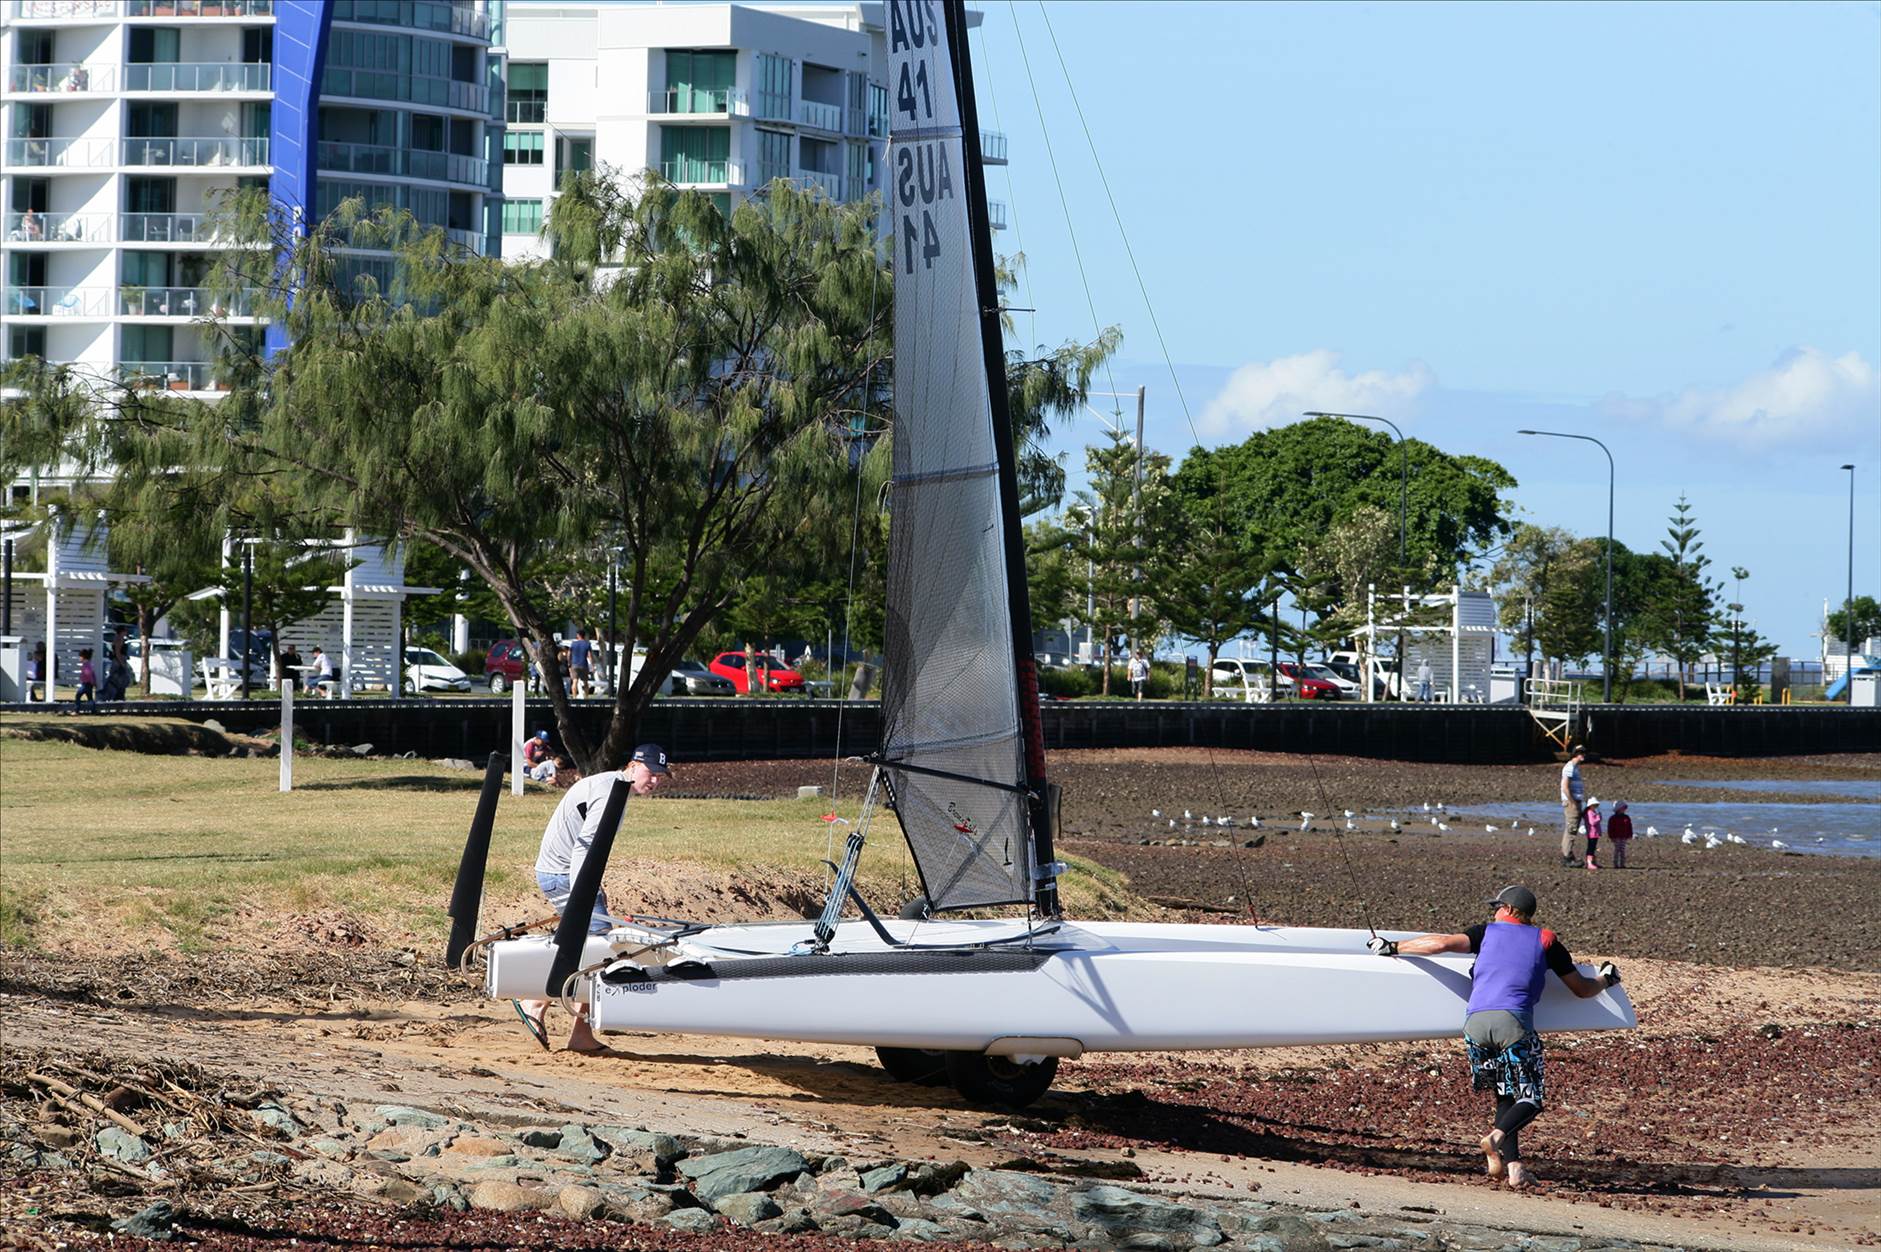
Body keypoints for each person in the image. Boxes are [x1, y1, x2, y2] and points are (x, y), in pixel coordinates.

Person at [1368, 884, 1620, 1189]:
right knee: (1532, 1098)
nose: (1494, 912)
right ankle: (1495, 1138)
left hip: (1474, 1025)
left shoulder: (1485, 933)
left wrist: (1392, 947)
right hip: (1512, 1024)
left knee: (1506, 1095)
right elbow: (1582, 989)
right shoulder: (1546, 940)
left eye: (1497, 907)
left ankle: (1514, 1170)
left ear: (1512, 910)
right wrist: (1607, 978)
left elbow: (1440, 944)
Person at [516, 743, 671, 1052]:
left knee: (586, 948)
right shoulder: (609, 790)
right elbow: (583, 848)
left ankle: (553, 1013)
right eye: (649, 773)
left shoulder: (615, 787)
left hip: (565, 875)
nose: (653, 781)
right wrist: (584, 895)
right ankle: (546, 1010)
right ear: (632, 765)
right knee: (599, 953)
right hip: (564, 876)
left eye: (659, 776)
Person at [1558, 744, 1586, 868]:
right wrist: (1573, 802)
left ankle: (1568, 855)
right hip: (1571, 803)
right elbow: (1565, 787)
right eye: (1581, 753)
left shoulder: (1574, 768)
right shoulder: (1569, 767)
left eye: (1584, 753)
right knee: (1571, 829)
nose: (1583, 755)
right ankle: (1567, 857)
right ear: (1576, 754)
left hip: (1575, 801)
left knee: (1571, 828)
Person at [1607, 800, 1634, 868]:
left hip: (1624, 836)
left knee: (1622, 850)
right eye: (1623, 808)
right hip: (1616, 836)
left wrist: (1630, 834)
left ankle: (1622, 864)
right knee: (1617, 850)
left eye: (1625, 808)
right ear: (1619, 809)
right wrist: (1611, 836)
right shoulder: (1613, 818)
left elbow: (1629, 827)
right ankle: (1615, 864)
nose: (1624, 810)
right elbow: (1610, 828)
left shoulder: (1626, 817)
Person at [568, 628, 593, 698]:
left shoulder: (573, 644)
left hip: (574, 664)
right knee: (585, 682)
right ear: (584, 636)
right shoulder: (587, 644)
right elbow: (590, 656)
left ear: (578, 635)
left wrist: (569, 664)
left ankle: (574, 697)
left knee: (575, 681)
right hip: (583, 665)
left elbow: (569, 654)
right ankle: (586, 697)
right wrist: (592, 665)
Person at [1582, 798, 1603, 871]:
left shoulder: (1592, 811)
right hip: (1592, 833)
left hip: (1595, 833)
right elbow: (1592, 822)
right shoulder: (1589, 812)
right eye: (1594, 805)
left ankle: (1593, 861)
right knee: (1591, 848)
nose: (1596, 807)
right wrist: (1598, 818)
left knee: (1593, 848)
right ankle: (1589, 862)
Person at [73, 648, 97, 712]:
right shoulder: (89, 664)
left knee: (78, 696)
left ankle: (76, 709)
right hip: (89, 684)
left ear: (83, 657)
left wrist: (91, 681)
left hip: (86, 684)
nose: (79, 658)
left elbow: (88, 674)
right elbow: (93, 674)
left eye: (80, 656)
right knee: (90, 698)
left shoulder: (86, 665)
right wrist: (94, 682)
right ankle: (93, 710)